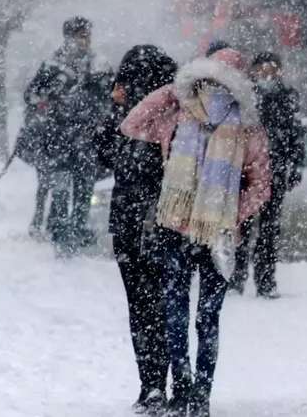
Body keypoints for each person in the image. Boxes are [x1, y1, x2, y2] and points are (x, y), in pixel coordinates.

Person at [121, 48, 271, 417]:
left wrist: (172, 91)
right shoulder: (201, 118)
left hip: (189, 230)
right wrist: (231, 214)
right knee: (204, 317)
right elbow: (132, 124)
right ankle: (198, 394)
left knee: (181, 313)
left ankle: (186, 391)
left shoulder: (185, 116)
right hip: (201, 233)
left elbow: (132, 123)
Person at [95, 44, 177, 415]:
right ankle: (162, 382)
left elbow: (104, 156)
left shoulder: (146, 116)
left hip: (138, 217)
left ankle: (152, 383)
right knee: (161, 304)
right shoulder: (171, 109)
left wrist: (113, 110)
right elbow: (105, 155)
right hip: (160, 217)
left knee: (143, 306)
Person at [23, 16, 106, 253]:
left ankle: (77, 230)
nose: (85, 40)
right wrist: (45, 102)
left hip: (86, 139)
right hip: (57, 138)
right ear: (68, 37)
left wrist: (100, 115)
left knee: (84, 189)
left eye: (87, 35)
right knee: (60, 187)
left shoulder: (98, 64)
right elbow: (30, 95)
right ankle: (59, 232)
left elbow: (108, 98)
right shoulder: (53, 65)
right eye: (81, 35)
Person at [229, 52, 304, 298]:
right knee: (242, 225)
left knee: (269, 229)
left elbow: (295, 133)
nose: (269, 74)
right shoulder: (244, 95)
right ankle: (236, 277)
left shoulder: (287, 96)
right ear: (254, 70)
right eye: (264, 69)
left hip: (275, 170)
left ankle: (266, 280)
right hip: (248, 171)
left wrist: (295, 166)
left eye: (274, 69)